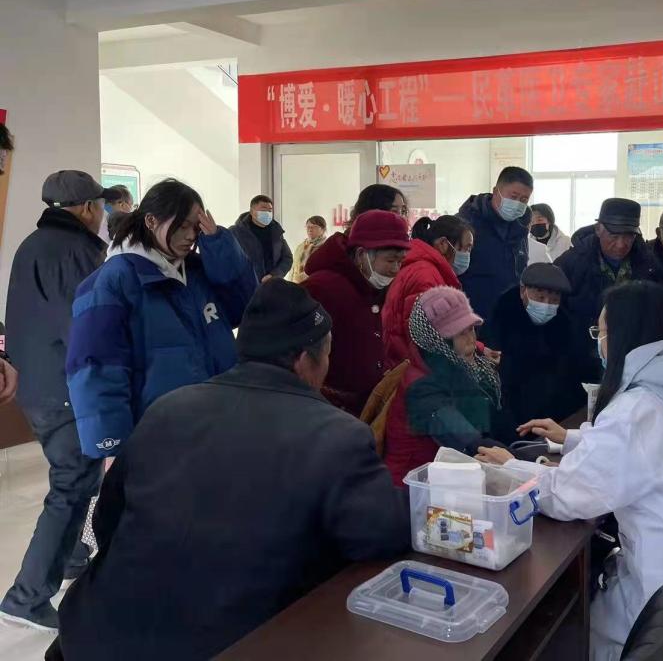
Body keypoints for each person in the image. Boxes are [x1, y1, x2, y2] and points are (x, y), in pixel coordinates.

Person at [53, 280, 409, 661]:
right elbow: (380, 534)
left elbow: (107, 521)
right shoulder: (336, 436)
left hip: (92, 637)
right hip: (226, 645)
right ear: (305, 360)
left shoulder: (167, 409)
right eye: (327, 353)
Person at [477, 282, 663, 661]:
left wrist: (511, 468)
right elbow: (653, 452)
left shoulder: (639, 407)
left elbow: (572, 496)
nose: (600, 344)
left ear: (624, 336)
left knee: (575, 630)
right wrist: (570, 439)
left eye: (602, 332)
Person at [66, 179, 258, 461]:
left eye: (196, 226)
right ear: (151, 220)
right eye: (182, 225)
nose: (190, 235)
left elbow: (243, 308)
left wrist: (220, 245)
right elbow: (95, 366)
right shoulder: (113, 281)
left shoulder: (198, 271)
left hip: (218, 423)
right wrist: (111, 445)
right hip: (160, 436)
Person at [0, 171, 109, 630]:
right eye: (100, 206)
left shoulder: (33, 244)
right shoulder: (74, 251)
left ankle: (70, 559)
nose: (103, 214)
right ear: (87, 208)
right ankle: (26, 597)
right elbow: (82, 327)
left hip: (38, 386)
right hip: (63, 390)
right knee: (71, 484)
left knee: (80, 480)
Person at [384, 286, 513, 485]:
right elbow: (470, 442)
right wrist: (525, 465)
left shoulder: (463, 366)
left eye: (471, 329)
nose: (471, 340)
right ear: (437, 341)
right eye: (461, 333)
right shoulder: (421, 390)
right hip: (415, 488)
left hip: (451, 477)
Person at [304, 211, 411, 416]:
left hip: (361, 408)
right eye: (390, 261)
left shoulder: (372, 287)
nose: (396, 269)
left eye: (400, 262)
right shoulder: (322, 288)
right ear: (362, 255)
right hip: (327, 411)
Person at [555, 198, 663, 375]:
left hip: (635, 363)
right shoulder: (572, 263)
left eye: (629, 236)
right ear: (598, 229)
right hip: (581, 362)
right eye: (614, 236)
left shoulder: (650, 265)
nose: (621, 244)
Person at [486, 263, 586, 424]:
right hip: (510, 418)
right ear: (523, 291)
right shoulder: (501, 322)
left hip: (555, 420)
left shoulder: (565, 327)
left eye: (554, 300)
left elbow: (572, 376)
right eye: (540, 298)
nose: (546, 305)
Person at [382, 215, 474, 370]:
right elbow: (425, 337)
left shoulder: (430, 270)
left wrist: (478, 347)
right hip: (412, 368)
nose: (467, 255)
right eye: (466, 248)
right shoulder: (425, 276)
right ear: (443, 244)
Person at [457, 166, 533, 325]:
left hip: (508, 319)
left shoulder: (520, 228)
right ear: (495, 191)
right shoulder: (465, 224)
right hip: (471, 319)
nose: (518, 204)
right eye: (513, 196)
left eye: (524, 200)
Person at [230, 194, 293, 282]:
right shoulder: (236, 232)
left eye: (270, 210)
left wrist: (274, 275)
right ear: (252, 212)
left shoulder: (276, 232)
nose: (267, 213)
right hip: (244, 285)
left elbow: (287, 258)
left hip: (271, 284)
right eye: (263, 210)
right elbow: (227, 259)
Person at [288, 215, 328, 283]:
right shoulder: (301, 246)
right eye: (308, 227)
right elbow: (293, 268)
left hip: (316, 284)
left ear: (323, 229)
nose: (310, 230)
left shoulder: (326, 247)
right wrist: (289, 284)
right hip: (297, 284)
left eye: (314, 227)